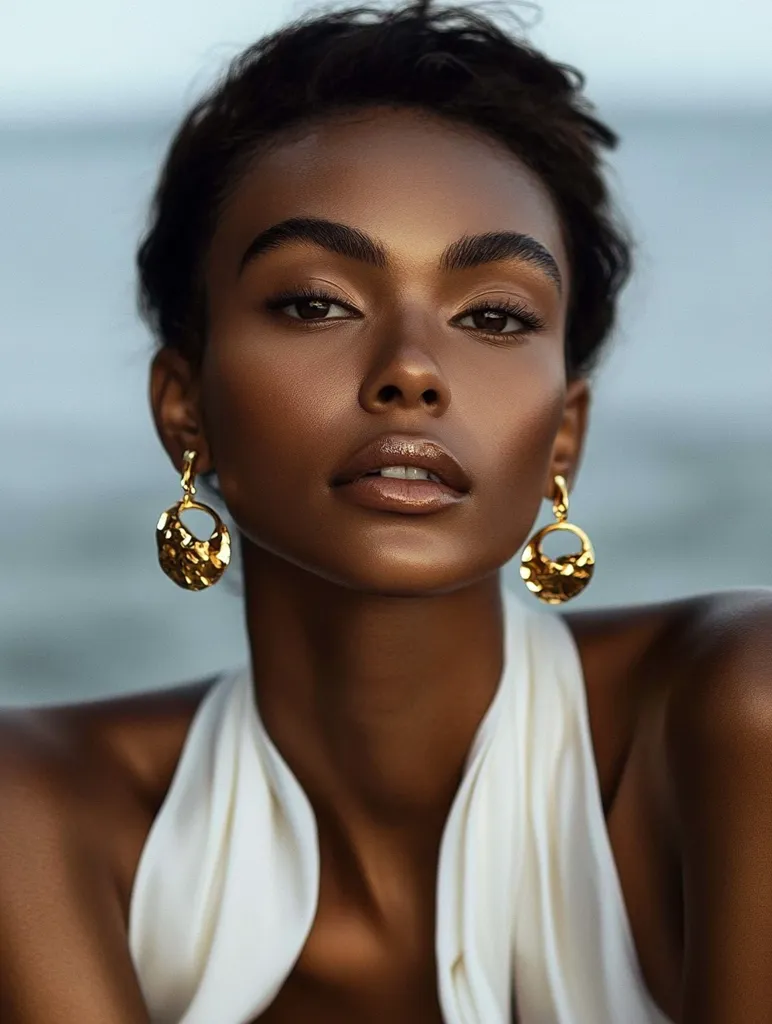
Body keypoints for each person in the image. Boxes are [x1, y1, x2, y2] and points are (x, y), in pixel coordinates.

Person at [1, 1, 771, 1021]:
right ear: (185, 408)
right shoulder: (39, 812)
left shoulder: (739, 713)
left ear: (563, 434)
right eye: (316, 302)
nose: (411, 369)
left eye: (493, 315)